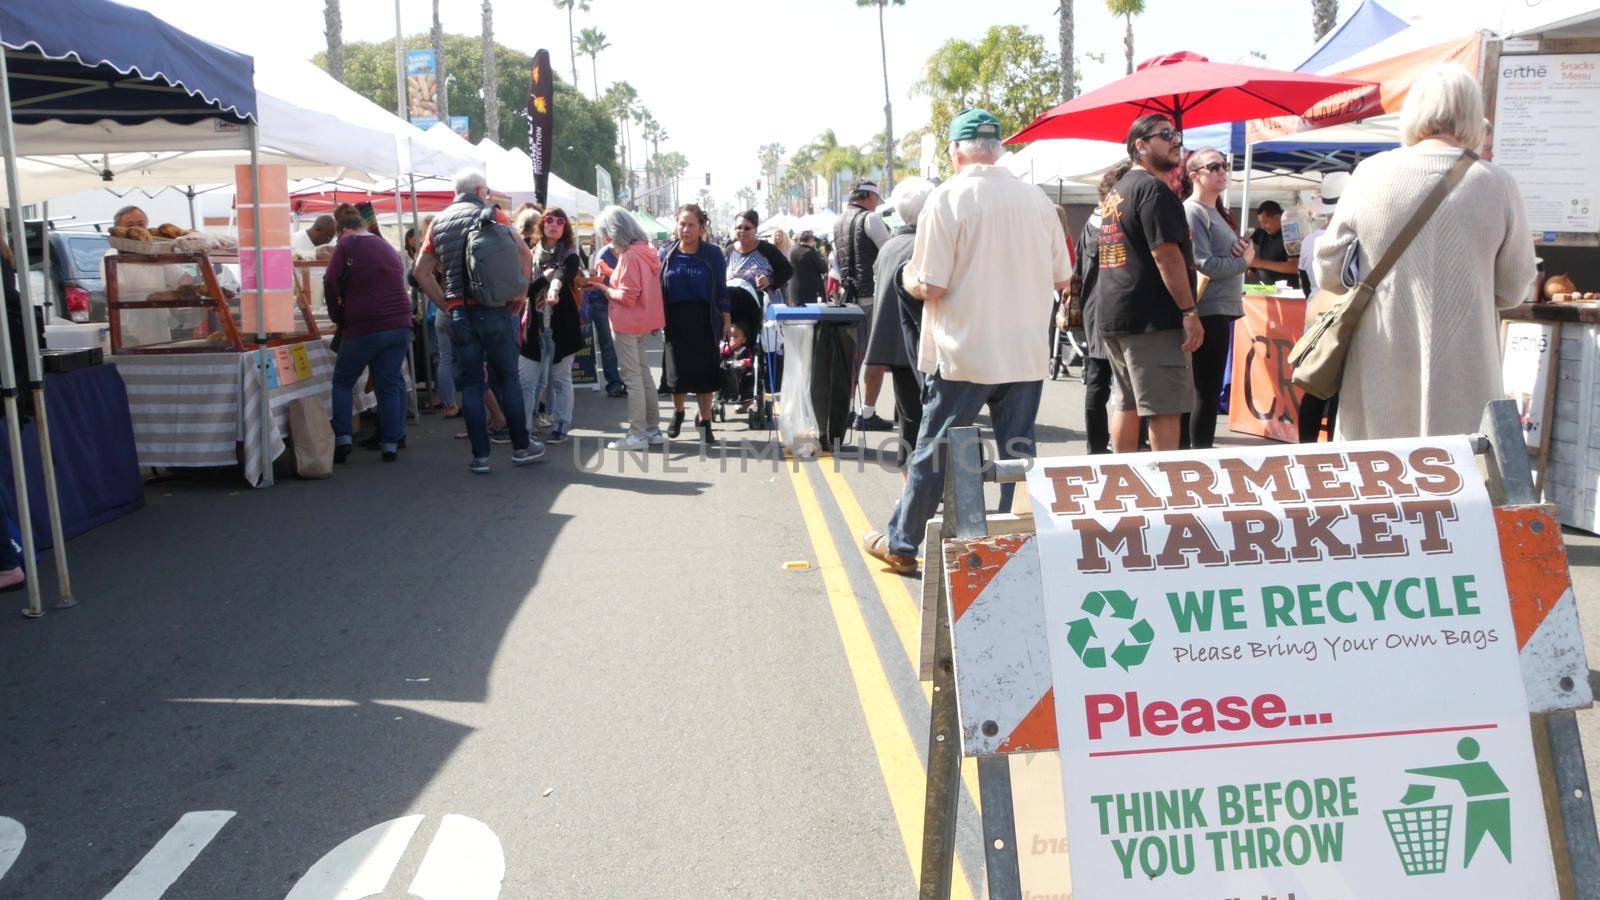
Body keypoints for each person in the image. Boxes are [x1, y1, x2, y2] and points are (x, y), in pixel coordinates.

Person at [861, 109, 1073, 574]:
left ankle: (902, 542)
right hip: (1024, 351)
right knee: (1019, 455)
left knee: (933, 452)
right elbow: (1063, 277)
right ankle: (1020, 544)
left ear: (956, 151)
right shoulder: (1036, 200)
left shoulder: (948, 198)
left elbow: (932, 284)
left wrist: (909, 278)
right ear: (998, 148)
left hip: (965, 352)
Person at [1313, 63, 1535, 441]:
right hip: (1466, 370)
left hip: (1379, 360)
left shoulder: (1370, 173)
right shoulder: (1498, 184)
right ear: (1472, 114)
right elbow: (1513, 290)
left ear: (1413, 111)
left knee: (1377, 485)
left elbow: (1328, 272)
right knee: (1459, 487)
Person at [412, 168, 543, 473]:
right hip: (496, 309)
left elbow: (421, 273)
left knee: (471, 385)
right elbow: (525, 254)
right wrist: (520, 294)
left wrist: (445, 305)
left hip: (460, 313)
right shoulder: (493, 216)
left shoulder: (438, 223)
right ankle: (521, 448)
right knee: (508, 378)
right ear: (481, 190)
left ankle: (480, 457)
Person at [1094, 114, 1204, 454]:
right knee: (1163, 407)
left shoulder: (1119, 190)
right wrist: (1189, 310)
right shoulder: (1153, 190)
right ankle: (1165, 496)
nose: (1176, 140)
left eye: (1177, 134)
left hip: (1117, 312)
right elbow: (1166, 255)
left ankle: (1122, 485)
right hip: (1151, 318)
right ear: (1141, 146)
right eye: (1166, 134)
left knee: (1127, 403)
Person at [323, 213, 413, 462]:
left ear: (343, 230)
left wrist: (337, 314)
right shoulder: (386, 245)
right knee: (388, 384)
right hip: (399, 324)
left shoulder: (347, 244)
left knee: (343, 381)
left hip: (364, 325)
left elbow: (330, 280)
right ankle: (390, 444)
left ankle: (343, 439)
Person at [1183, 147, 1253, 449]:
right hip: (1206, 308)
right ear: (1195, 175)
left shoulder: (1216, 212)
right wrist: (1243, 262)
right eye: (1214, 166)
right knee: (1205, 389)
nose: (1223, 171)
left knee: (1206, 388)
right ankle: (1198, 454)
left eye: (1224, 165)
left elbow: (1216, 258)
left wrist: (1238, 250)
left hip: (1219, 308)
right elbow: (1204, 263)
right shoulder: (1194, 210)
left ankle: (1196, 452)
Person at [864, 177, 936, 471]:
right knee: (930, 421)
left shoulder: (890, 246)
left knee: (910, 419)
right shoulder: (925, 246)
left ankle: (911, 487)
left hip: (896, 346)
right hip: (925, 345)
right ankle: (925, 486)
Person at [593, 205, 665, 450]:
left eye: (607, 235)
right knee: (643, 375)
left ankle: (637, 434)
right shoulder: (644, 251)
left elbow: (626, 296)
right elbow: (634, 284)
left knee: (633, 378)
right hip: (643, 322)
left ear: (614, 232)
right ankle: (652, 430)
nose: (606, 240)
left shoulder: (630, 255)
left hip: (627, 323)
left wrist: (601, 287)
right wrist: (610, 273)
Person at [658, 203, 730, 445]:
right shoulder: (666, 253)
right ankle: (678, 413)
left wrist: (726, 319)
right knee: (676, 373)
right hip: (674, 320)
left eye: (691, 225)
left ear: (701, 228)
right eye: (682, 224)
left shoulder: (713, 253)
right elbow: (658, 289)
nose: (686, 229)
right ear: (676, 226)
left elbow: (721, 288)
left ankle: (706, 422)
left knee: (704, 374)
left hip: (704, 319)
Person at [834, 180, 894, 431]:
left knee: (851, 359)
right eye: (876, 199)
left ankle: (846, 411)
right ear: (869, 196)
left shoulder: (838, 222)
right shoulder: (870, 219)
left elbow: (835, 262)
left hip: (847, 298)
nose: (877, 204)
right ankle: (867, 413)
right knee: (874, 357)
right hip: (871, 296)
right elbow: (890, 252)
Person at [523, 207, 584, 445]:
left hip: (561, 326)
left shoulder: (570, 255)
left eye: (560, 221)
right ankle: (525, 428)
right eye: (549, 219)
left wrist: (554, 286)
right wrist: (543, 279)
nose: (554, 224)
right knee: (527, 380)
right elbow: (525, 290)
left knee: (560, 379)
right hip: (534, 325)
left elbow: (563, 273)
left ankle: (561, 426)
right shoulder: (529, 254)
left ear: (565, 228)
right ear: (542, 224)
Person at [1071, 167, 1121, 455]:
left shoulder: (1089, 225)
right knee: (1123, 387)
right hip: (1116, 309)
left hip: (1092, 309)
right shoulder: (1116, 225)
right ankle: (1123, 444)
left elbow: (1078, 270)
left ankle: (1096, 447)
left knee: (1097, 382)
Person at [583, 239, 628, 398]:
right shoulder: (605, 254)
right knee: (608, 343)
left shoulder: (626, 251)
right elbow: (601, 283)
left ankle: (623, 381)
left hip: (617, 301)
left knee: (620, 343)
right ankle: (614, 383)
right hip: (601, 301)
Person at [725, 210, 794, 306]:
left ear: (755, 229)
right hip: (736, 310)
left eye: (747, 228)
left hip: (765, 310)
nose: (742, 231)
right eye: (739, 228)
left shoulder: (768, 249)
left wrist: (770, 280)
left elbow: (788, 270)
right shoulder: (730, 250)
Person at [1246, 200, 1300, 288]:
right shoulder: (1261, 232)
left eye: (1266, 222)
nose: (1263, 226)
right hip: (1263, 289)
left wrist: (1259, 263)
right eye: (1261, 222)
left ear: (1278, 218)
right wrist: (1252, 268)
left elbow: (1294, 267)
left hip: (1286, 291)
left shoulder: (1290, 234)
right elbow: (1251, 245)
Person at [788, 230, 827, 306]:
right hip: (810, 290)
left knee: (798, 315)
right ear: (811, 240)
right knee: (810, 316)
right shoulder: (811, 252)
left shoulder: (792, 251)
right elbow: (823, 269)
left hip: (794, 290)